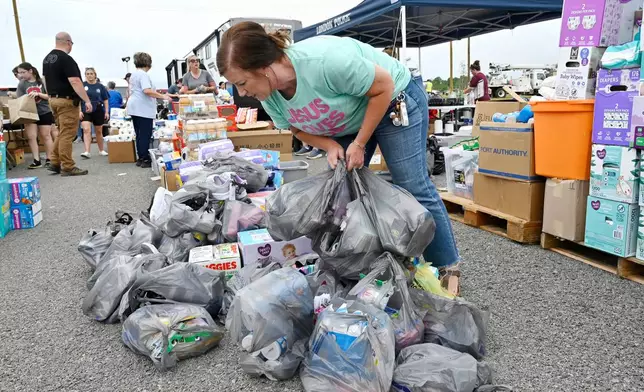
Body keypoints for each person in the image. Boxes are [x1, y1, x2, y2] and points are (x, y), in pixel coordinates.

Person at [216, 22, 461, 294]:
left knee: (412, 184)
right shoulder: (270, 95)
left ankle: (447, 267)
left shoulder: (322, 62)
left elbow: (383, 87)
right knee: (344, 193)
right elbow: (295, 128)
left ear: (262, 67)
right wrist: (329, 145)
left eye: (241, 83)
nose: (242, 93)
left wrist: (359, 143)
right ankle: (373, 265)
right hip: (350, 121)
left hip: (393, 100)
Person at [42, 32, 92, 176]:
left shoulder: (47, 59)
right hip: (66, 100)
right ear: (68, 43)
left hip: (53, 99)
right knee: (68, 133)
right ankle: (68, 166)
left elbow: (45, 79)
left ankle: (55, 161)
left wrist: (50, 95)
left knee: (62, 131)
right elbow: (75, 81)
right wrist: (86, 100)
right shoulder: (66, 59)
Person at [126, 52, 172, 168]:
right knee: (145, 133)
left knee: (139, 133)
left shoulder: (134, 75)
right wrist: (163, 97)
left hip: (134, 106)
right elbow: (147, 90)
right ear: (148, 63)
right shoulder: (143, 75)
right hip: (143, 107)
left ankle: (140, 157)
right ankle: (145, 158)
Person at [15, 62, 55, 169]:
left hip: (44, 111)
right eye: (19, 73)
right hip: (29, 113)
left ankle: (49, 158)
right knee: (31, 137)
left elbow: (50, 96)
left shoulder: (42, 82)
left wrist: (38, 94)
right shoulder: (22, 84)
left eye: (23, 72)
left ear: (30, 71)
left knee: (46, 135)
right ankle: (36, 160)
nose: (21, 75)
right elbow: (19, 99)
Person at [80, 67, 109, 158]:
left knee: (99, 131)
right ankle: (87, 151)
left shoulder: (100, 86)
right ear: (85, 75)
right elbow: (78, 99)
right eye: (87, 74)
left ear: (95, 75)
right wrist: (79, 111)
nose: (89, 76)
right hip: (85, 109)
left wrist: (106, 112)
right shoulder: (82, 85)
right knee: (86, 130)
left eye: (91, 73)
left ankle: (101, 150)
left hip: (98, 109)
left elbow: (105, 100)